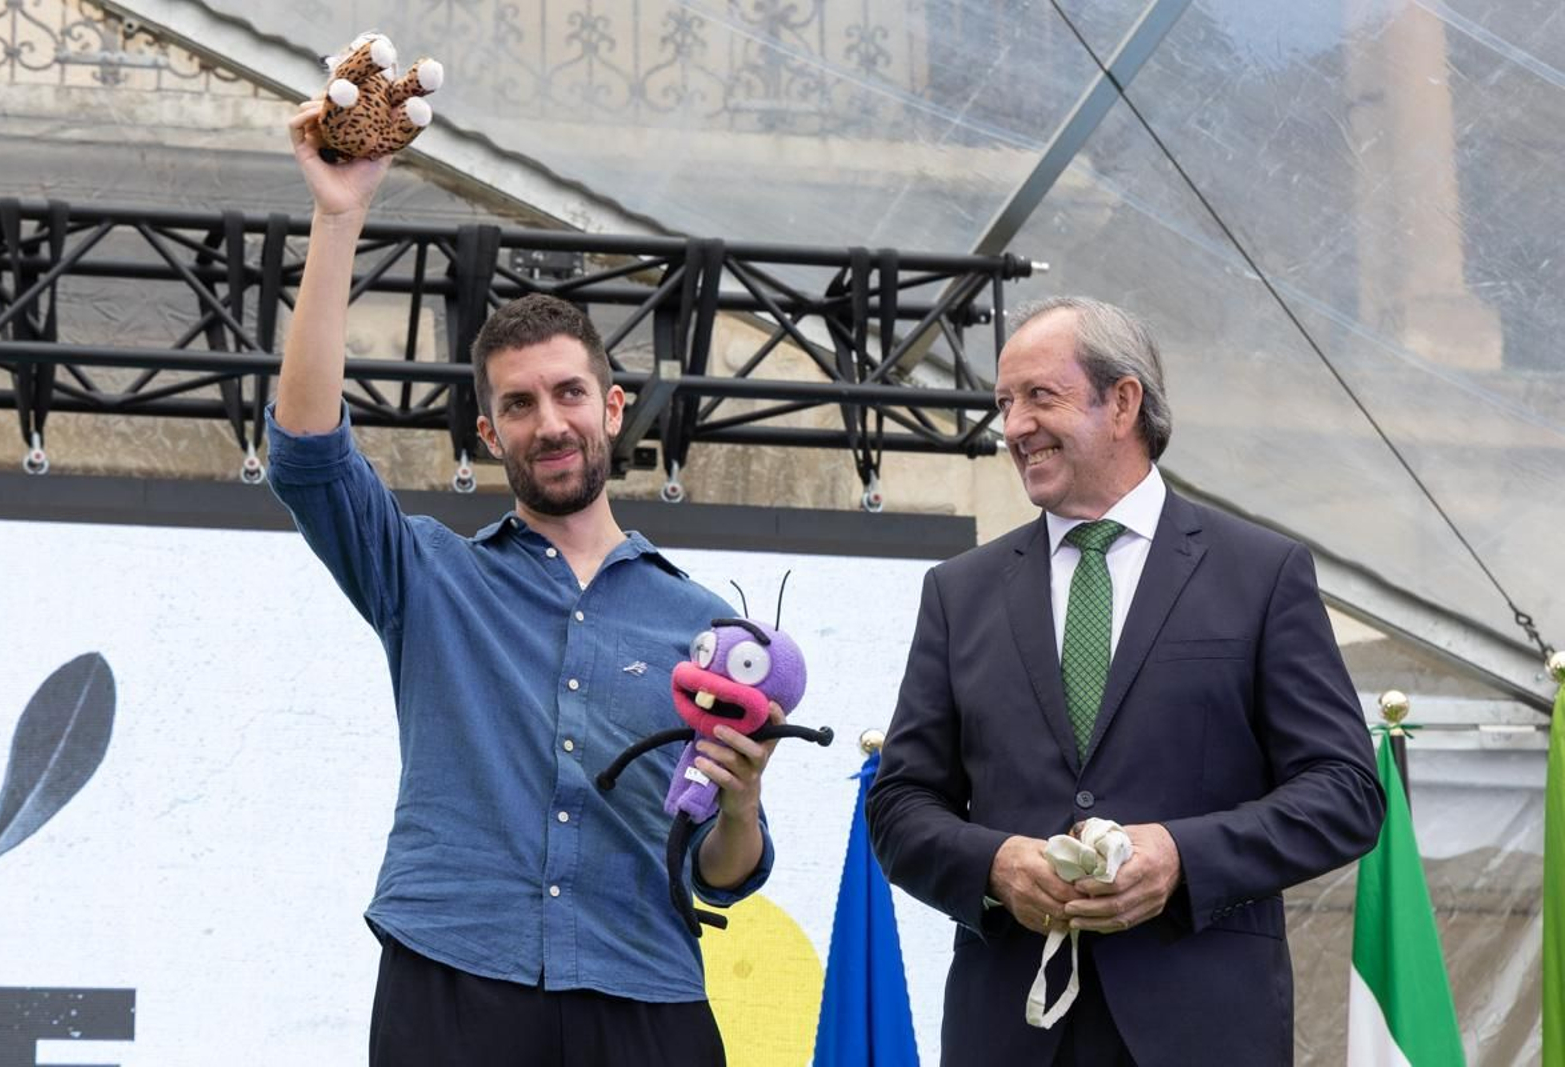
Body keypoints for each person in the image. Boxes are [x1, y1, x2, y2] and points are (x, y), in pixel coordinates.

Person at [268, 98, 782, 1067]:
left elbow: (722, 876)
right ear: (485, 433)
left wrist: (744, 804)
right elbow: (305, 458)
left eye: (568, 393)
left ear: (612, 406)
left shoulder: (708, 626)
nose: (549, 422)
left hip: (644, 986)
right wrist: (339, 218)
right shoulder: (426, 574)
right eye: (517, 403)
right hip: (454, 972)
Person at [866, 296, 1384, 1067]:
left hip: (1204, 1034)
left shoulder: (1261, 574)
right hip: (1011, 1035)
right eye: (1004, 403)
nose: (1013, 426)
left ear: (1124, 402)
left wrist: (1181, 856)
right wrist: (997, 866)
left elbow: (1345, 791)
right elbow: (901, 805)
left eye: (1040, 396)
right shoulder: (958, 592)